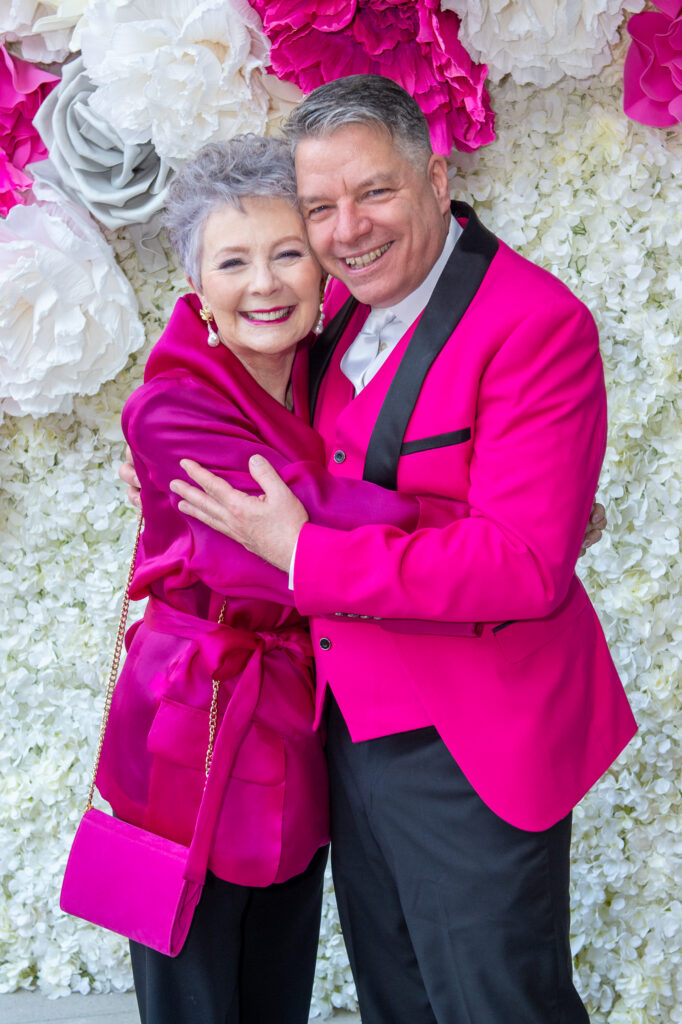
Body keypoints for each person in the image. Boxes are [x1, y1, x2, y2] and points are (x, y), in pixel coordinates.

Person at [165, 76, 637, 1024]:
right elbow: (237, 373)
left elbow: (522, 566)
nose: (347, 230)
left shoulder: (535, 324)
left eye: (374, 192)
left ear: (434, 174)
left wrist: (306, 556)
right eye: (320, 208)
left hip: (472, 738)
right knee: (401, 1000)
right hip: (350, 733)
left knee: (496, 1004)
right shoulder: (333, 318)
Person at [102, 135, 474, 1024]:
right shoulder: (170, 408)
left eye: (286, 255)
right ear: (199, 291)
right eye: (233, 261)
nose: (263, 283)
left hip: (295, 716)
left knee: (278, 977)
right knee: (194, 987)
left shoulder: (329, 383)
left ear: (323, 275)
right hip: (190, 724)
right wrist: (479, 527)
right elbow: (304, 521)